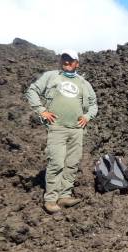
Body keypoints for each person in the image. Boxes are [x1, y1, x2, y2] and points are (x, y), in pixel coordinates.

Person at [25, 49, 98, 214]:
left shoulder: (83, 83)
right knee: (56, 163)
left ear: (76, 63)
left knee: (72, 163)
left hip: (77, 130)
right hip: (57, 128)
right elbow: (32, 91)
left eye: (70, 60)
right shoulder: (51, 76)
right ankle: (50, 199)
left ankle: (64, 196)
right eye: (64, 59)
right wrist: (41, 110)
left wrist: (87, 116)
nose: (67, 62)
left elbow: (94, 104)